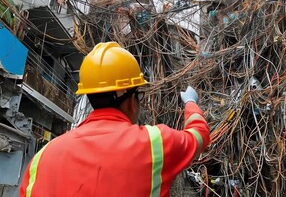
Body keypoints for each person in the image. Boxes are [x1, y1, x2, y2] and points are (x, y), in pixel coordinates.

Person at [20, 42, 210, 197]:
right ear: (129, 98)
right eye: (139, 95)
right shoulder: (155, 143)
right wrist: (191, 103)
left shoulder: (42, 157)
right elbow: (199, 135)